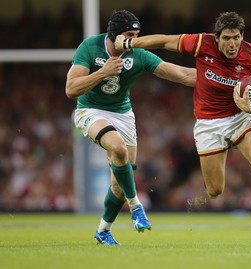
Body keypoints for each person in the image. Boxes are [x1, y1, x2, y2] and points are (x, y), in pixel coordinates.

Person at [115, 11, 251, 246]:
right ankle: (218, 157)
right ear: (216, 38)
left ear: (242, 36)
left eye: (236, 37)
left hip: (240, 118)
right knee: (215, 190)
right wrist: (129, 43)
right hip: (209, 124)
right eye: (226, 38)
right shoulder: (201, 43)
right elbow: (165, 40)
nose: (232, 43)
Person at [65, 10, 196, 245]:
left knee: (118, 184)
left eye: (136, 35)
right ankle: (136, 206)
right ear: (114, 33)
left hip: (123, 115)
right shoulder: (90, 47)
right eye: (129, 34)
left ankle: (103, 230)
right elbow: (71, 89)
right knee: (119, 149)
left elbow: (183, 75)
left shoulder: (139, 55)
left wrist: (220, 79)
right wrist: (103, 72)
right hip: (90, 110)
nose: (133, 40)